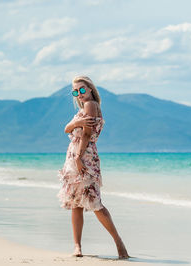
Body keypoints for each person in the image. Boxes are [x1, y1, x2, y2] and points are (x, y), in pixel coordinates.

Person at [58, 76, 129, 259]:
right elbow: (66, 129)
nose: (80, 94)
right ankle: (77, 247)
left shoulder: (90, 105)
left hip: (84, 156)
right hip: (74, 157)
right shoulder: (82, 108)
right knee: (76, 203)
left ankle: (119, 242)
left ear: (90, 89)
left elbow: (87, 134)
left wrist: (80, 158)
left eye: (82, 89)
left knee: (95, 203)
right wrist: (76, 123)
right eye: (76, 92)